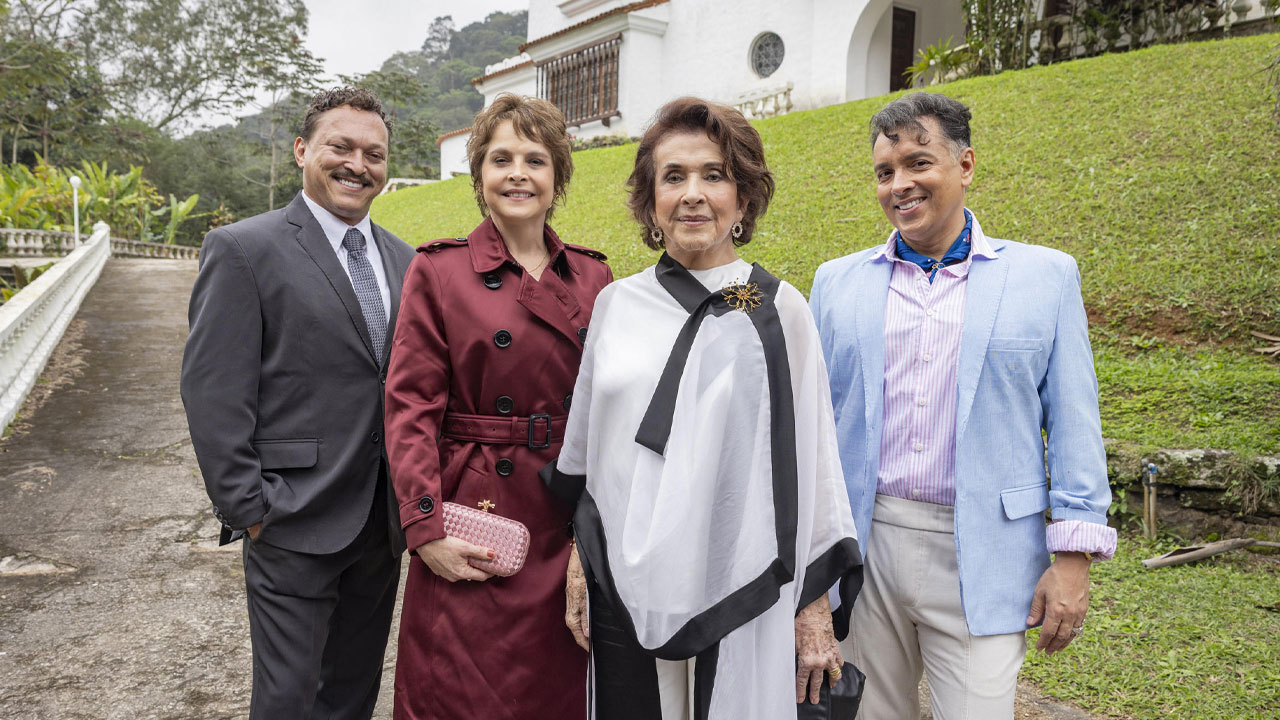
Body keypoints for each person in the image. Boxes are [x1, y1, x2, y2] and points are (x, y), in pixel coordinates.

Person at [543, 97, 863, 720]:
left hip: (743, 574)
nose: (693, 194)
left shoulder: (777, 311)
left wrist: (812, 604)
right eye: (674, 176)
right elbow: (590, 456)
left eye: (714, 175)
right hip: (625, 579)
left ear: (742, 200)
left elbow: (814, 459)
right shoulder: (617, 307)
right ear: (651, 203)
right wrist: (581, 564)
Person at [810, 92, 1117, 719]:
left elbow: (1074, 420)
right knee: (867, 712)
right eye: (885, 172)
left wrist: (1073, 557)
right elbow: (813, 425)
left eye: (919, 163)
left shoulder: (1046, 277)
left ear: (966, 165)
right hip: (866, 548)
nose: (900, 185)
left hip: (986, 547)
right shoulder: (836, 283)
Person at [181, 86, 415, 719]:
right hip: (291, 518)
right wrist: (249, 508)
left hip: (379, 523)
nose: (357, 165)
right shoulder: (243, 249)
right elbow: (213, 390)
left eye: (374, 153)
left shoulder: (406, 260)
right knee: (286, 701)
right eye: (340, 147)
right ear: (302, 149)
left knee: (352, 695)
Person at [383, 93, 612, 720]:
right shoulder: (439, 271)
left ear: (557, 178)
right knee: (456, 692)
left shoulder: (594, 277)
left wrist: (597, 534)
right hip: (472, 509)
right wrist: (424, 527)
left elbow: (608, 414)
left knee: (554, 690)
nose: (518, 173)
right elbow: (410, 408)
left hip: (563, 512)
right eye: (501, 158)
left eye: (536, 160)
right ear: (479, 174)